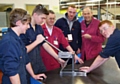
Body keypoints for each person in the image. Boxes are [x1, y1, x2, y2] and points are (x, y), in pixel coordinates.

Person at [20, 4, 65, 83]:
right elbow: (22, 51)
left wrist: (57, 58)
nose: (43, 21)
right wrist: (37, 41)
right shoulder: (24, 29)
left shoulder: (39, 28)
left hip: (39, 64)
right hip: (27, 66)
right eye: (42, 18)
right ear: (35, 15)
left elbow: (45, 45)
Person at [0, 8, 46, 84]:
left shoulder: (18, 39)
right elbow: (12, 72)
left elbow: (26, 59)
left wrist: (33, 75)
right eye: (27, 24)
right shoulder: (9, 42)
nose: (28, 27)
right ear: (18, 23)